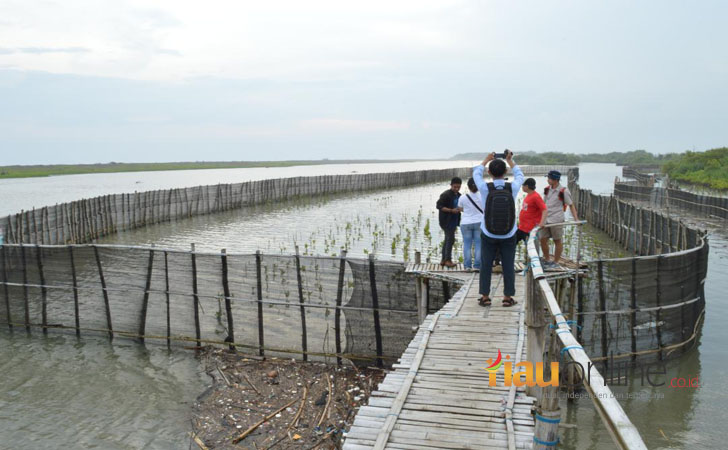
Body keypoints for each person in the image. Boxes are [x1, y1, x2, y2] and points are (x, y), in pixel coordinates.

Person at [473, 151, 524, 307]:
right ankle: (507, 298)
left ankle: (485, 297)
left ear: (490, 172)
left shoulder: (484, 188)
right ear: (506, 172)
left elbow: (476, 172)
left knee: (486, 264)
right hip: (509, 234)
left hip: (488, 232)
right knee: (508, 265)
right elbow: (520, 174)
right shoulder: (513, 187)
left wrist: (486, 160)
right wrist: (510, 160)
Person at [540, 170, 579, 267]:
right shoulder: (547, 189)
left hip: (556, 220)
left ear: (555, 180)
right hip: (546, 219)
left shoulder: (563, 191)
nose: (547, 180)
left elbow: (571, 205)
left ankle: (556, 262)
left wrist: (576, 219)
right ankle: (547, 259)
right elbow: (543, 205)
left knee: (557, 240)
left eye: (549, 178)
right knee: (542, 239)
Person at [456, 178, 484, 271]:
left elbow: (459, 208)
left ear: (468, 187)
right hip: (479, 222)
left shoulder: (463, 197)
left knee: (467, 244)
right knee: (478, 244)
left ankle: (467, 266)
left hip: (466, 223)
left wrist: (467, 211)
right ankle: (477, 266)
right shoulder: (483, 196)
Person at [436, 177, 462, 267]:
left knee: (448, 239)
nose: (456, 189)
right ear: (451, 185)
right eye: (455, 187)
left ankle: (443, 260)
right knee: (450, 239)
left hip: (454, 221)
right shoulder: (445, 195)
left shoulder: (459, 195)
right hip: (446, 221)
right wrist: (451, 210)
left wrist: (460, 209)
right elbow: (439, 206)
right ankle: (448, 260)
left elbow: (460, 206)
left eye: (458, 187)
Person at [516, 178, 547, 248]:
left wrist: (541, 223)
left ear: (527, 186)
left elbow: (544, 209)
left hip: (530, 229)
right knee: (511, 242)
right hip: (522, 228)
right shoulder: (528, 195)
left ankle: (535, 258)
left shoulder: (536, 196)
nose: (522, 187)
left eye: (523, 185)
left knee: (532, 249)